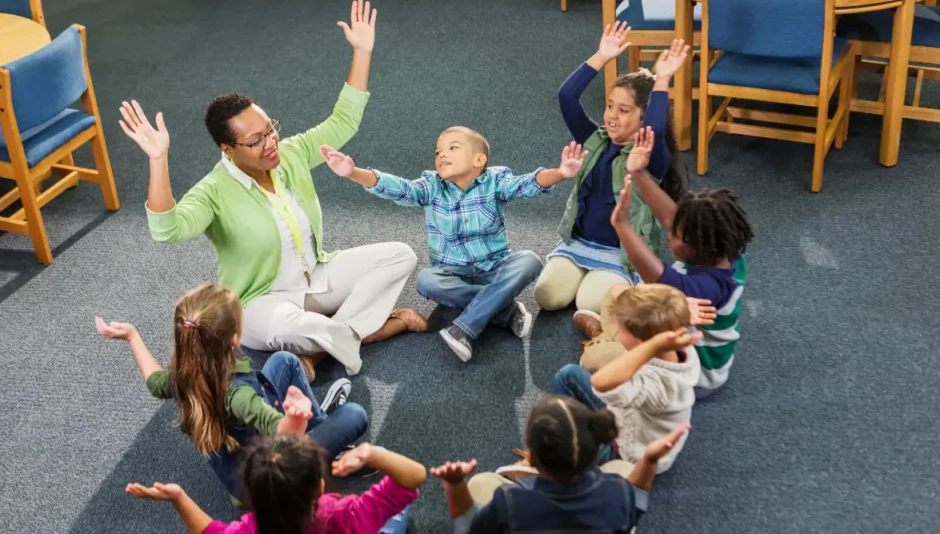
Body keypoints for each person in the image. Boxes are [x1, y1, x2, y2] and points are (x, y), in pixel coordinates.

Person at [118, 0, 425, 382]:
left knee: (400, 256)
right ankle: (364, 329)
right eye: (255, 141)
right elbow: (167, 230)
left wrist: (362, 52)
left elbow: (343, 122)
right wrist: (158, 159)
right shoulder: (213, 191)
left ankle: (322, 350)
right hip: (260, 303)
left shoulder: (290, 154)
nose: (271, 144)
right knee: (289, 329)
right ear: (228, 150)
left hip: (317, 278)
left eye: (270, 129)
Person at [319, 128, 586, 361]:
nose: (442, 155)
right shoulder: (431, 186)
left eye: (452, 148)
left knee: (530, 260)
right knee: (426, 281)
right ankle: (505, 311)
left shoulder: (495, 181)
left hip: (494, 268)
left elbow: (526, 184)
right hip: (452, 274)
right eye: (438, 152)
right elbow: (399, 188)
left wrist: (561, 173)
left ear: (479, 160)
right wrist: (353, 173)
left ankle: (464, 328)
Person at [96, 282, 369, 503]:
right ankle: (323, 446)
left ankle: (320, 428)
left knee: (285, 360)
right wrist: (298, 413)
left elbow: (155, 383)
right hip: (266, 482)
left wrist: (132, 337)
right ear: (235, 340)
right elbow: (286, 434)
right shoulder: (239, 396)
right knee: (354, 415)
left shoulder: (186, 374)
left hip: (240, 471)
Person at [533, 21, 690, 326]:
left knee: (589, 303)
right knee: (547, 297)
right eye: (609, 106)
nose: (611, 116)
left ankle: (629, 284)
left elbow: (656, 128)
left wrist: (663, 79)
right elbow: (567, 97)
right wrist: (601, 57)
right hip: (578, 243)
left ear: (643, 117)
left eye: (624, 110)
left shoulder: (651, 154)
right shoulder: (594, 139)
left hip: (620, 253)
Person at [579, 131, 752, 396]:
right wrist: (638, 173)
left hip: (694, 370)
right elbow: (672, 217)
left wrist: (623, 228)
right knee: (616, 292)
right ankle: (610, 337)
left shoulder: (712, 287)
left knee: (591, 361)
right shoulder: (720, 250)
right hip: (672, 324)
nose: (668, 234)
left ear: (699, 246)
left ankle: (602, 340)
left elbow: (660, 277)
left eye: (676, 235)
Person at [430, 394, 690, 534]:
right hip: (606, 506)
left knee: (480, 482)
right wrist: (649, 460)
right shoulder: (617, 492)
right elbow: (637, 501)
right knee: (623, 470)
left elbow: (468, 528)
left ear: (530, 457)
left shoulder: (509, 502)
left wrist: (455, 484)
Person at [126, 434, 427, 534]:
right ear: (321, 488)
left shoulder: (249, 530)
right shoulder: (345, 515)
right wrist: (373, 453)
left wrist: (179, 497)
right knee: (397, 513)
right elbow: (413, 478)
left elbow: (208, 531)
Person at [552, 284, 701, 475]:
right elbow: (618, 290)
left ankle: (554, 457)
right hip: (627, 414)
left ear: (642, 345)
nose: (618, 333)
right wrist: (672, 306)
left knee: (566, 452)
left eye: (620, 330)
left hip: (625, 451)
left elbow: (600, 382)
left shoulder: (658, 386)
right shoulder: (677, 343)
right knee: (568, 375)